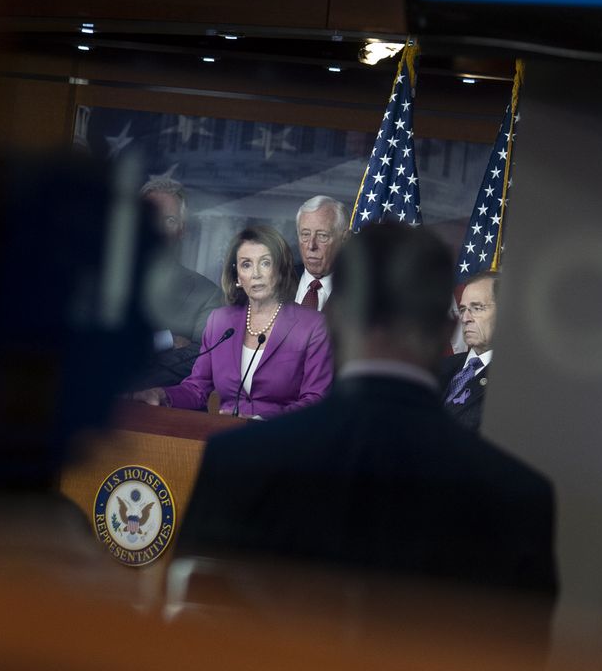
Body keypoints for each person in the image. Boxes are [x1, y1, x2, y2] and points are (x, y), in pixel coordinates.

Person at [176, 222, 557, 603]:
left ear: (335, 319)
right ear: (447, 330)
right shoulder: (521, 499)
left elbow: (192, 630)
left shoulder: (235, 461)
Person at [132, 224, 331, 418]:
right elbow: (197, 389)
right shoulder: (220, 322)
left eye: (265, 263)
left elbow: (315, 399)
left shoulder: (312, 326)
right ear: (237, 277)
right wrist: (162, 395)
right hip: (226, 439)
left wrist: (262, 419)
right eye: (246, 264)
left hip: (283, 441)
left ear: (280, 271)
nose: (256, 274)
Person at [134, 176, 229, 388]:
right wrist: (165, 340)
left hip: (152, 407)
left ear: (182, 230)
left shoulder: (208, 295)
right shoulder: (103, 280)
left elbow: (200, 361)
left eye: (169, 220)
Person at [440, 270, 498, 434]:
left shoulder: (513, 380)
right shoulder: (439, 367)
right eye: (463, 309)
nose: (465, 318)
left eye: (477, 308)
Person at [292, 194, 343, 311]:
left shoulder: (359, 292)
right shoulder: (278, 280)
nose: (311, 246)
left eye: (322, 236)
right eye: (305, 234)